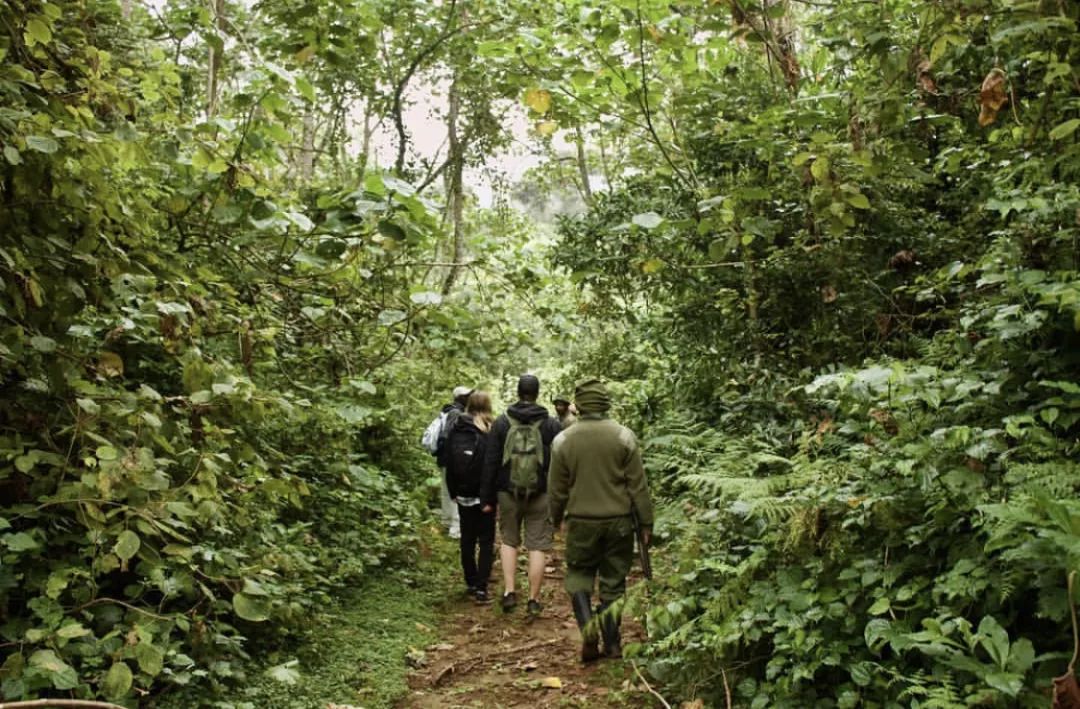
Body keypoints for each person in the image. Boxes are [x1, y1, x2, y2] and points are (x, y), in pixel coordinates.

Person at [548, 378, 654, 663]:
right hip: (619, 522)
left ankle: (588, 630)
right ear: (605, 403)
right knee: (613, 581)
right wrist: (646, 524)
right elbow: (637, 487)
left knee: (579, 575)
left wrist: (554, 519)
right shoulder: (624, 436)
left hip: (581, 522)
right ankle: (613, 643)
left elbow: (556, 490)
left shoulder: (563, 440)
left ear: (578, 406)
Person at [480, 374, 562, 618]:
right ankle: (534, 599)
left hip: (507, 491)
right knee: (537, 546)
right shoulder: (550, 424)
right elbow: (559, 463)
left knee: (509, 540)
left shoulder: (502, 423)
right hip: (541, 492)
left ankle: (509, 591)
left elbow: (491, 460)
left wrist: (486, 498)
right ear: (537, 393)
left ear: (518, 392)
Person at [445, 391, 497, 603]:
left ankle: (471, 581)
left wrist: (453, 491)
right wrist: (490, 499)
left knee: (467, 539)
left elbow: (449, 462)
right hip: (482, 497)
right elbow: (491, 468)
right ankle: (482, 588)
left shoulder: (456, 429)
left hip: (462, 494)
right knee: (485, 542)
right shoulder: (489, 431)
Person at [422, 385, 472, 539]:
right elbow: (449, 436)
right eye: (467, 395)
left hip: (444, 458)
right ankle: (456, 530)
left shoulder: (447, 411)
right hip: (453, 460)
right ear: (460, 398)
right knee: (456, 493)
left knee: (446, 492)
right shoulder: (457, 413)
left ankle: (447, 523)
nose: (469, 397)